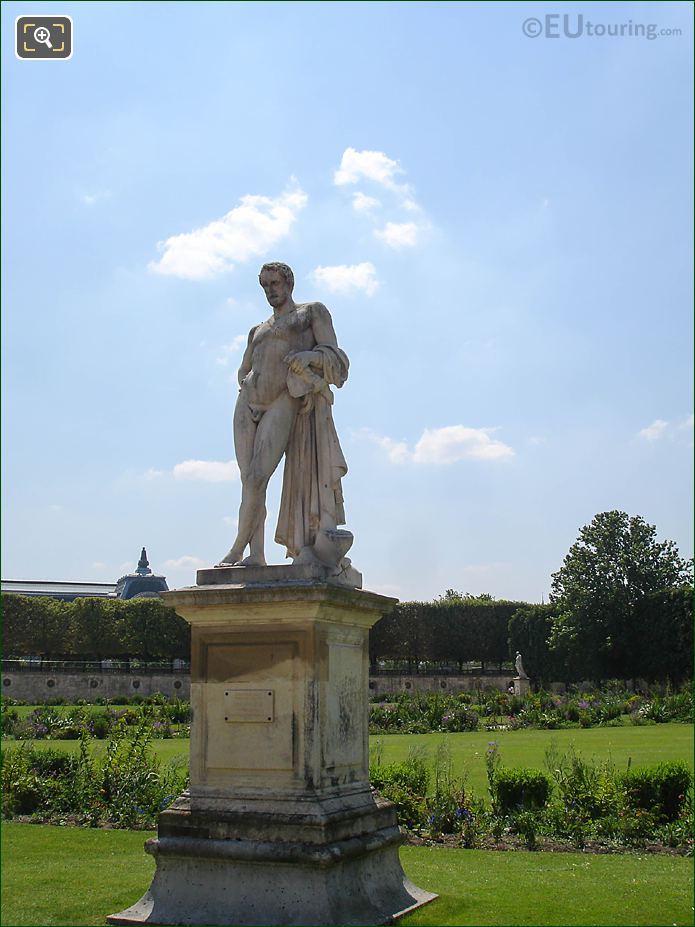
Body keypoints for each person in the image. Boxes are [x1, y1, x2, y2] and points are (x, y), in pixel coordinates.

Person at [219, 262, 354, 574]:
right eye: (265, 285)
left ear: (289, 283)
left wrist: (308, 357)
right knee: (249, 482)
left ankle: (237, 547)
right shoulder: (257, 329)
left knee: (256, 476)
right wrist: (247, 380)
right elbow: (244, 367)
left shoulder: (310, 313)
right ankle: (256, 554)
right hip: (248, 403)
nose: (270, 290)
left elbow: (337, 360)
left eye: (275, 283)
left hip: (282, 400)